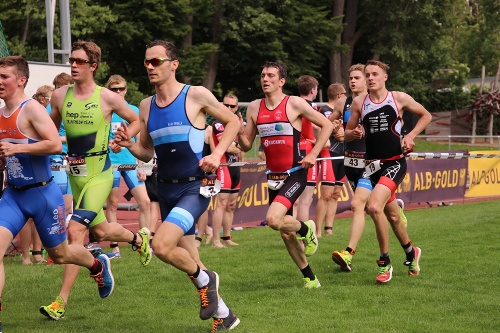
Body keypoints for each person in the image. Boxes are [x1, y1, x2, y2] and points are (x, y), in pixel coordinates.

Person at [114, 40, 240, 331]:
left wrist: (217, 154)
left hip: (193, 188)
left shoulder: (194, 95)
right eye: (146, 62)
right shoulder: (146, 105)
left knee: (160, 245)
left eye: (156, 61)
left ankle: (208, 280)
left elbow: (233, 121)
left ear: (173, 64)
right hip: (167, 189)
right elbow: (147, 151)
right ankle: (224, 314)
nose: (150, 67)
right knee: (190, 259)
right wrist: (130, 145)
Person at [40, 40, 152, 320]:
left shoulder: (107, 97)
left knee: (76, 231)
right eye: (71, 60)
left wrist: (124, 139)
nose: (74, 65)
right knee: (101, 232)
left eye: (80, 61)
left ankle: (60, 301)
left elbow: (136, 120)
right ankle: (138, 240)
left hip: (100, 173)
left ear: (93, 65)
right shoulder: (59, 96)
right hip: (74, 172)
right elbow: (49, 131)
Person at [0, 56, 114, 328]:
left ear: (21, 80)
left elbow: (53, 145)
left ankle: (97, 265)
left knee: (61, 255)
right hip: (13, 195)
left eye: (4, 76)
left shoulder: (32, 110)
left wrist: (17, 148)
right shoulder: (0, 114)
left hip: (42, 196)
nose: (0, 81)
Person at [237, 61, 338, 288]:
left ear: (281, 81)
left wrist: (312, 153)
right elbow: (245, 145)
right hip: (273, 176)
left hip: (295, 172)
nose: (265, 79)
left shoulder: (294, 103)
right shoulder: (254, 107)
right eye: (263, 75)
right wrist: (236, 129)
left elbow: (327, 126)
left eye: (271, 75)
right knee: (285, 233)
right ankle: (310, 278)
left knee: (273, 220)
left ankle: (306, 228)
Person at [345, 60, 432, 283]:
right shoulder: (358, 102)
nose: (370, 77)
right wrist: (351, 134)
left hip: (394, 163)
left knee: (374, 207)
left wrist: (411, 136)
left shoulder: (398, 98)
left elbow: (426, 115)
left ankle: (385, 263)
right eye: (367, 74)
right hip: (372, 165)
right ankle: (412, 252)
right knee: (393, 216)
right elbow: (347, 133)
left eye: (375, 74)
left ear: (385, 77)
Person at [105, 74, 151, 258]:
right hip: (111, 164)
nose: (118, 92)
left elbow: (140, 141)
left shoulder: (133, 110)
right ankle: (115, 247)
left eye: (121, 88)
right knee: (113, 204)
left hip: (131, 163)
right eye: (114, 89)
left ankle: (143, 242)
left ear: (126, 89)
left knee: (145, 202)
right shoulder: (105, 111)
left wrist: (142, 167)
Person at [315, 83, 347, 237]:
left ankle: (329, 228)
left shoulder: (345, 112)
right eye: (345, 94)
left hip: (343, 153)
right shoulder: (326, 111)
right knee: (326, 194)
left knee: (336, 193)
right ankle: (318, 230)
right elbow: (331, 130)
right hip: (329, 153)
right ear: (340, 95)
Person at [210, 94, 242, 248]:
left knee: (231, 205)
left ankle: (227, 237)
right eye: (226, 105)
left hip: (235, 166)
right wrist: (238, 145)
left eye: (232, 106)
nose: (229, 108)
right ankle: (216, 241)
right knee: (221, 204)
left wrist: (238, 145)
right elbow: (229, 148)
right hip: (223, 166)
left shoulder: (236, 124)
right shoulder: (218, 124)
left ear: (236, 108)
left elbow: (242, 145)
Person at [293, 75, 319, 222]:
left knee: (295, 198)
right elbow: (317, 126)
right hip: (308, 150)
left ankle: (294, 232)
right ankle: (303, 236)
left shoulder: (292, 104)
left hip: (294, 151)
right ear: (312, 90)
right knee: (305, 200)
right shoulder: (311, 106)